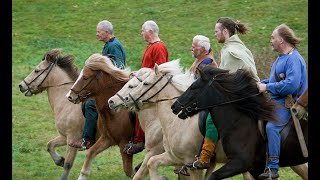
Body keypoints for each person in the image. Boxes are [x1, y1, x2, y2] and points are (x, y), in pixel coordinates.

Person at [257, 24, 307, 179]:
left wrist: (266, 87)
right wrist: (258, 83)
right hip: (275, 101)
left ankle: (273, 168)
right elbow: (273, 80)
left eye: (273, 37)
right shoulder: (282, 57)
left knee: (272, 127)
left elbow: (291, 85)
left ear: (282, 40)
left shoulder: (293, 59)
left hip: (289, 104)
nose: (271, 40)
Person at [69, 20, 126, 150]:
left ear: (106, 32)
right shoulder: (109, 45)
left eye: (98, 31)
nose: (97, 34)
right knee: (85, 100)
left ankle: (87, 140)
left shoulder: (114, 46)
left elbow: (118, 68)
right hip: (106, 87)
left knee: (90, 104)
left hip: (113, 88)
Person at [122, 20, 169, 154]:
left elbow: (159, 70)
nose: (141, 33)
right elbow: (149, 68)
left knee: (135, 105)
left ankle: (139, 140)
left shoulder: (158, 47)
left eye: (143, 30)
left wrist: (142, 75)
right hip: (145, 84)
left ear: (150, 31)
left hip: (152, 88)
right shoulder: (151, 46)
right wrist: (139, 73)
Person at [214, 16, 260, 81]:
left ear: (225, 31)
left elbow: (226, 81)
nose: (215, 34)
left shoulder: (229, 52)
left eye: (216, 31)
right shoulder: (241, 47)